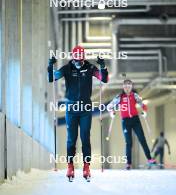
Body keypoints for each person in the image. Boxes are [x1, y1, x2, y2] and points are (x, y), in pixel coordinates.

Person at [48, 46, 108, 180]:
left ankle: (86, 166)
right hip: (71, 108)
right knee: (71, 139)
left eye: (80, 61)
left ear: (83, 59)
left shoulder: (90, 68)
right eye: (76, 60)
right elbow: (52, 78)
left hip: (86, 109)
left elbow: (103, 79)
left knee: (85, 137)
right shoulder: (67, 68)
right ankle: (70, 166)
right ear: (73, 58)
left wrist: (103, 66)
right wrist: (50, 65)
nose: (78, 63)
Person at [108, 79, 156, 170]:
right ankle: (128, 163)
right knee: (128, 142)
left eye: (129, 86)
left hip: (135, 120)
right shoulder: (119, 97)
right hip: (126, 121)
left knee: (142, 139)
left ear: (131, 87)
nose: (127, 88)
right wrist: (112, 112)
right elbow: (109, 106)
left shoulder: (135, 95)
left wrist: (144, 111)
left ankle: (150, 159)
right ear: (123, 87)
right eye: (125, 86)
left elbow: (142, 104)